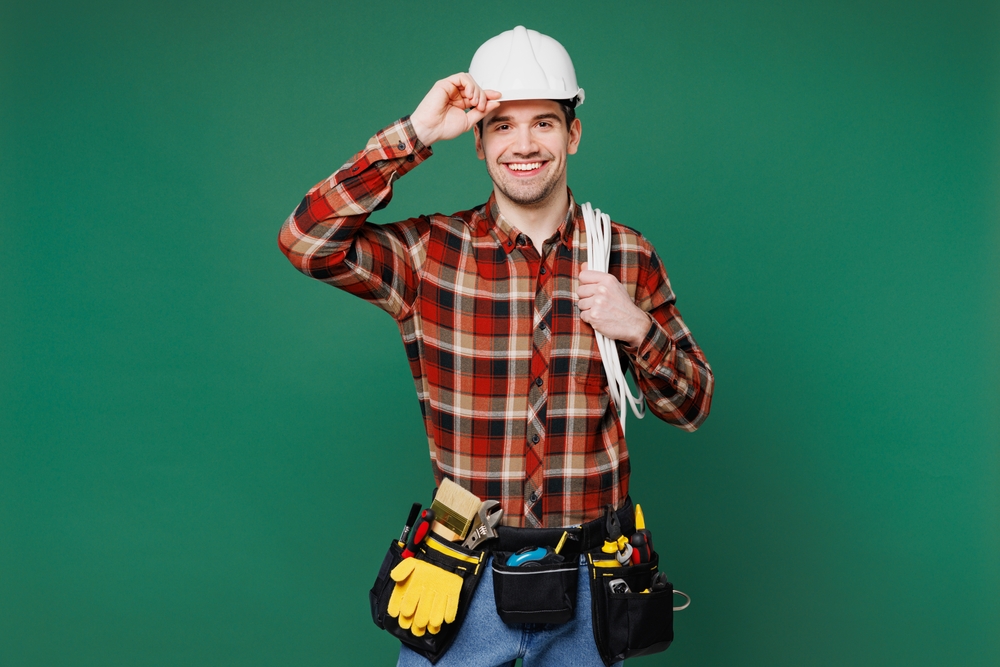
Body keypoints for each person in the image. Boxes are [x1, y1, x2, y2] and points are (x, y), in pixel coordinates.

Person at [279, 25, 713, 667]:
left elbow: (692, 404)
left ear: (573, 134)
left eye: (544, 123)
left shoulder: (625, 254)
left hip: (591, 581)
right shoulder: (431, 255)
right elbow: (306, 240)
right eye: (503, 126)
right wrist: (416, 136)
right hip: (462, 574)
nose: (525, 144)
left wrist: (636, 329)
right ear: (478, 142)